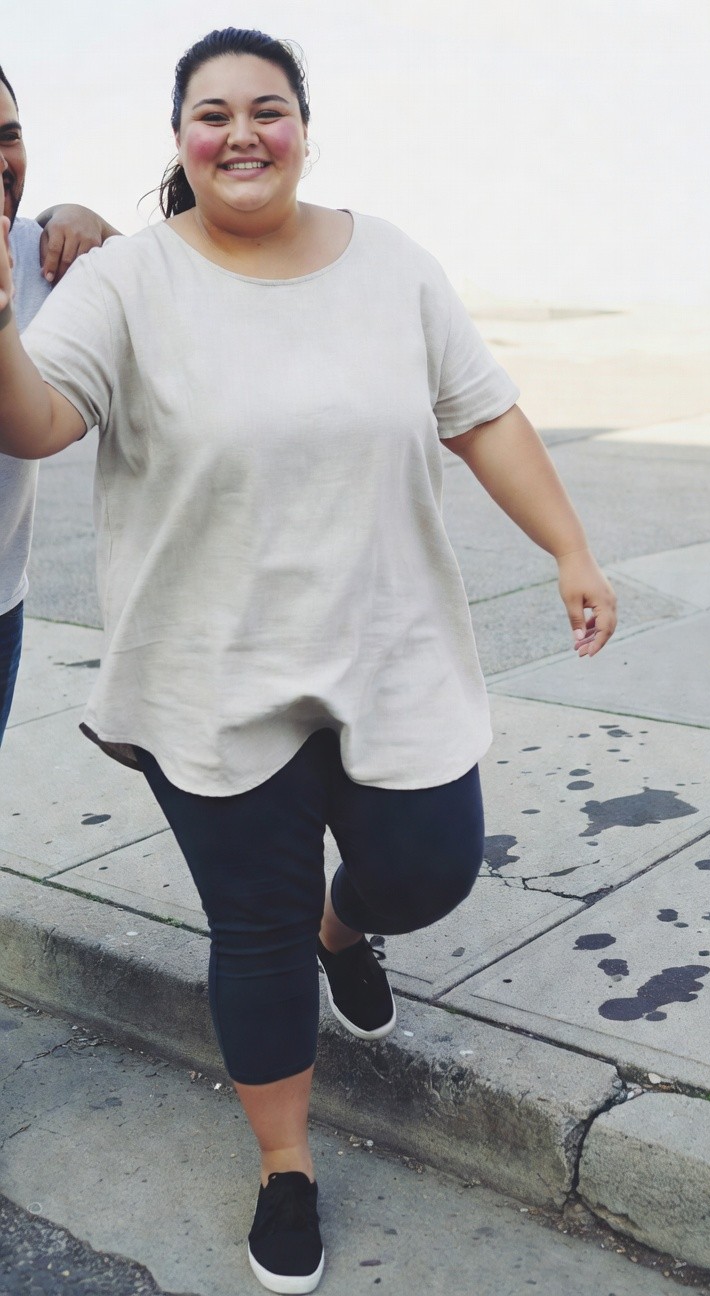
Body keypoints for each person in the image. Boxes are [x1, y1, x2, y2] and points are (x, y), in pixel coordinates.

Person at [0, 27, 616, 1294]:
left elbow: (483, 413)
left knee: (430, 865)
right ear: (180, 139)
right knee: (255, 930)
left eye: (266, 109)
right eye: (212, 113)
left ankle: (350, 928)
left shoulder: (389, 261)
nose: (241, 133)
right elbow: (39, 421)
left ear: (302, 129)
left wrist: (570, 548)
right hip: (208, 673)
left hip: (390, 650)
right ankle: (287, 1164)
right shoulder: (128, 283)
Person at [0, 61, 119, 744]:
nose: (2, 161)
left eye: (9, 135)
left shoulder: (41, 259)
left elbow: (162, 305)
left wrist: (91, 224)